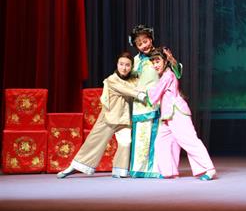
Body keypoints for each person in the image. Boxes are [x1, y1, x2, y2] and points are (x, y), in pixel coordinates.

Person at [57, 52, 145, 179]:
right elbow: (126, 90)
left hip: (124, 119)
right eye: (121, 64)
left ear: (131, 67)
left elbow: (141, 83)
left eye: (127, 65)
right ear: (117, 64)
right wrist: (140, 95)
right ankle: (74, 167)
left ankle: (120, 171)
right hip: (108, 118)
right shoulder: (112, 80)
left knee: (126, 143)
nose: (124, 68)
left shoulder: (133, 80)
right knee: (93, 142)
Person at [144, 47, 216, 180]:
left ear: (165, 61)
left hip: (177, 112)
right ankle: (169, 171)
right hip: (167, 114)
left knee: (189, 140)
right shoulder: (166, 75)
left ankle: (208, 169)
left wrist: (142, 95)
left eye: (157, 61)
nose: (155, 65)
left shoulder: (168, 75)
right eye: (153, 62)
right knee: (162, 141)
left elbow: (156, 92)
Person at [129, 25, 182, 178]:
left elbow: (177, 73)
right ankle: (140, 169)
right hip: (141, 102)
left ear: (151, 39)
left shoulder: (160, 55)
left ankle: (160, 169)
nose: (143, 45)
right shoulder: (135, 60)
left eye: (145, 41)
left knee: (159, 138)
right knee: (142, 137)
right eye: (139, 43)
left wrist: (172, 60)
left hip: (160, 102)